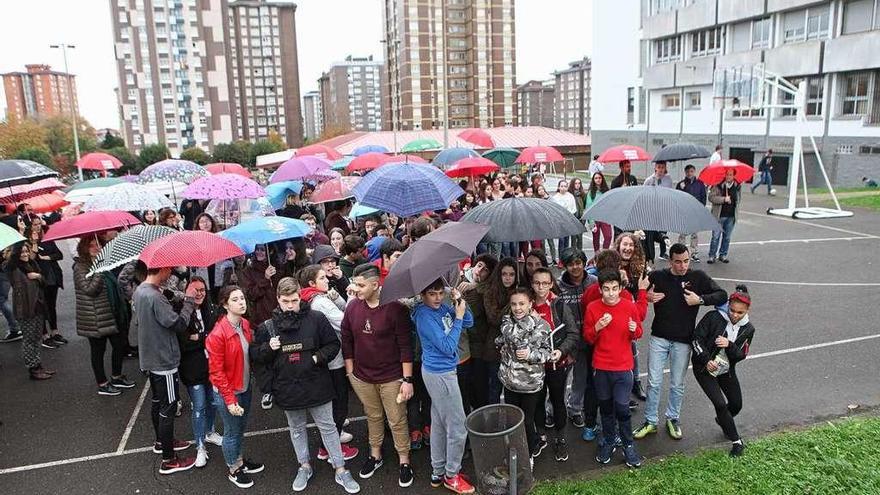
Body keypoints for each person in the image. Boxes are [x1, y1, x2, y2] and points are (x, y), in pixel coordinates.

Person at [251, 278, 360, 493]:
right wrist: (268, 348)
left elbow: (333, 344)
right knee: (297, 429)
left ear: (300, 296)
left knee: (328, 428)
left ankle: (341, 468)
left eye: (294, 300)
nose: (290, 305)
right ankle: (304, 466)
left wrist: (316, 358)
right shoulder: (268, 327)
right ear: (278, 299)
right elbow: (256, 356)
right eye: (285, 301)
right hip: (287, 388)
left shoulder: (316, 318)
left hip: (317, 384)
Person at [634, 243, 727, 441]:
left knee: (677, 384)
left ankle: (673, 418)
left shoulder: (698, 277)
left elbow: (722, 295)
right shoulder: (658, 276)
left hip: (684, 341)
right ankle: (650, 421)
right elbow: (636, 291)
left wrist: (700, 300)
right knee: (653, 382)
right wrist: (646, 296)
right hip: (659, 337)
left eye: (686, 261)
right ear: (670, 261)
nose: (683, 266)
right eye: (678, 262)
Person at [341, 264, 415, 487]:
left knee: (397, 419)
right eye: (355, 283)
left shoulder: (396, 309)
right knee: (372, 417)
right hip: (362, 377)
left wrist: (407, 380)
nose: (355, 289)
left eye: (361, 285)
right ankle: (375, 455)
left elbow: (405, 346)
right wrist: (350, 372)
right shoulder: (352, 307)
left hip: (392, 377)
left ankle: (404, 460)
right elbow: (346, 339)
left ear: (375, 284)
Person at [134, 263, 200, 474]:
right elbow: (178, 324)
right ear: (160, 270)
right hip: (164, 360)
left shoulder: (143, 290)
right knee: (168, 407)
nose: (171, 272)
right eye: (169, 269)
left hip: (151, 357)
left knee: (158, 402)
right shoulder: (155, 297)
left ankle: (162, 442)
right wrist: (189, 300)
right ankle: (169, 459)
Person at [412, 280, 476, 494]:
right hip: (440, 373)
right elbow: (449, 347)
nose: (438, 297)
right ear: (423, 295)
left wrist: (460, 302)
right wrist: (457, 317)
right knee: (458, 426)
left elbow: (469, 322)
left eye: (441, 293)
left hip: (442, 371)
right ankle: (451, 475)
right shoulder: (424, 316)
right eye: (432, 294)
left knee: (439, 422)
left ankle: (438, 471)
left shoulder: (442, 308)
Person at [580, 249, 650, 439]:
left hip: (595, 349)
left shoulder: (590, 292)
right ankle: (613, 432)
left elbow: (584, 315)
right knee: (613, 393)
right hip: (612, 349)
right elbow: (640, 315)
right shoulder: (624, 294)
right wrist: (642, 292)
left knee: (592, 387)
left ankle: (590, 425)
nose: (610, 293)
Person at [205, 285, 264, 488]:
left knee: (239, 428)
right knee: (231, 431)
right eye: (235, 299)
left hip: (244, 386)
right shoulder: (217, 335)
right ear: (225, 304)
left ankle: (238, 460)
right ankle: (234, 468)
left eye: (242, 298)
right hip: (228, 392)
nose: (241, 302)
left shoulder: (244, 324)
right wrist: (230, 400)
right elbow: (217, 372)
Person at [297, 265, 359, 459]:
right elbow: (345, 321)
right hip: (335, 360)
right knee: (340, 402)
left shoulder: (313, 298)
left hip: (328, 358)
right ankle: (329, 448)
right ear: (311, 283)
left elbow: (340, 308)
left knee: (334, 402)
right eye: (322, 278)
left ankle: (333, 437)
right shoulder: (320, 303)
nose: (327, 280)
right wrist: (352, 298)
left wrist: (341, 297)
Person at [584, 270, 644, 468]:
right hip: (601, 367)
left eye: (614, 289)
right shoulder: (593, 308)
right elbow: (588, 337)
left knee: (622, 408)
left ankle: (628, 444)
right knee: (606, 408)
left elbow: (638, 332)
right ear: (600, 289)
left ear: (620, 288)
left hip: (623, 367)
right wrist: (598, 327)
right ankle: (609, 441)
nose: (611, 293)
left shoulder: (628, 306)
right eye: (606, 289)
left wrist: (635, 330)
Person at [692, 285, 756, 457]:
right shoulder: (713, 317)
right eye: (732, 310)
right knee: (720, 404)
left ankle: (723, 420)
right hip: (704, 369)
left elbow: (741, 355)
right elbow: (696, 339)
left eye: (739, 313)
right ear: (728, 305)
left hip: (726, 370)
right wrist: (706, 360)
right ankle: (737, 442)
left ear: (747, 311)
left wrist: (729, 345)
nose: (734, 315)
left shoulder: (748, 329)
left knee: (736, 404)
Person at [73, 237, 133, 396]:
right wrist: (98, 270)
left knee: (119, 345)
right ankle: (102, 383)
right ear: (84, 248)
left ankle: (116, 376)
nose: (96, 249)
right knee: (98, 351)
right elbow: (89, 290)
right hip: (94, 317)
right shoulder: (80, 267)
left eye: (99, 245)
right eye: (91, 246)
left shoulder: (103, 263)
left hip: (111, 314)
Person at [530, 268, 579, 462]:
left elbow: (573, 333)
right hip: (535, 366)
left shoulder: (559, 304)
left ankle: (560, 439)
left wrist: (561, 351)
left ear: (551, 284)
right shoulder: (527, 303)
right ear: (532, 284)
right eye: (537, 283)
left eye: (545, 283)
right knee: (537, 402)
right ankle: (541, 437)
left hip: (557, 365)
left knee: (558, 401)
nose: (541, 287)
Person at [496, 288, 551, 459]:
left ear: (530, 304)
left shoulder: (542, 325)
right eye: (514, 304)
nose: (517, 308)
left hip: (530, 384)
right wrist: (500, 344)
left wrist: (530, 355)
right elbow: (504, 338)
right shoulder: (508, 322)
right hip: (510, 382)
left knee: (527, 421)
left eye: (522, 304)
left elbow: (548, 353)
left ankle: (529, 452)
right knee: (513, 419)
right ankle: (516, 449)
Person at [177, 277, 223, 467]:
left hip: (211, 366)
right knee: (199, 406)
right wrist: (202, 338)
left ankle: (210, 432)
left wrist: (199, 337)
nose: (199, 293)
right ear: (187, 292)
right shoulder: (181, 312)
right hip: (192, 368)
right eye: (195, 290)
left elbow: (215, 336)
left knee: (212, 402)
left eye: (202, 289)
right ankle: (200, 447)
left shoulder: (210, 309)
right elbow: (183, 342)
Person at [556, 248, 597, 429]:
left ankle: (574, 410)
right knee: (559, 380)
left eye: (578, 263)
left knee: (580, 378)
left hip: (589, 340)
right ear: (565, 266)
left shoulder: (594, 282)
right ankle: (552, 410)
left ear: (583, 263)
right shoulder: (558, 286)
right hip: (566, 342)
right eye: (571, 264)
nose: (575, 267)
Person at [6, 242, 54, 380]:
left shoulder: (32, 264)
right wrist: (19, 239)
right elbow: (14, 256)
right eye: (22, 252)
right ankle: (32, 369)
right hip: (25, 309)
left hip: (38, 307)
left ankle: (38, 365)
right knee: (29, 340)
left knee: (37, 338)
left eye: (26, 251)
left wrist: (38, 276)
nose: (25, 254)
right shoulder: (11, 267)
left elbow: (44, 283)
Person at [458, 253, 498, 411]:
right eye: (479, 265)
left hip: (479, 345)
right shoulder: (461, 281)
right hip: (463, 346)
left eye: (485, 269)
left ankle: (482, 417)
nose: (480, 270)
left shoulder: (487, 289)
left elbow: (472, 313)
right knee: (467, 386)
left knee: (480, 385)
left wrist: (475, 287)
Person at [482, 258, 519, 404]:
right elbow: (495, 319)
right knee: (494, 388)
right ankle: (493, 421)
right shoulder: (490, 292)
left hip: (515, 348)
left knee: (512, 389)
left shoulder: (520, 292)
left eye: (512, 274)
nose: (508, 278)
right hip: (495, 349)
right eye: (504, 274)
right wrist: (513, 300)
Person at [27, 223, 66, 347]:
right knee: (42, 307)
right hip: (40, 278)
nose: (38, 226)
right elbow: (31, 258)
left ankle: (55, 331)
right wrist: (34, 242)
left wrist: (47, 257)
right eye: (34, 224)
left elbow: (59, 255)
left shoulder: (47, 240)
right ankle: (44, 335)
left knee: (51, 305)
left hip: (53, 277)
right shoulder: (27, 243)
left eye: (39, 223)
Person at [707, 169, 741, 264]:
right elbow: (711, 197)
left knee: (727, 237)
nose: (728, 176)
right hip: (719, 216)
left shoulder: (737, 186)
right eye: (727, 174)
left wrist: (733, 204)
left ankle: (723, 254)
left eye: (730, 175)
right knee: (715, 237)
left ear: (734, 176)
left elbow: (738, 200)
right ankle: (712, 255)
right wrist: (723, 199)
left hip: (730, 216)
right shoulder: (718, 186)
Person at [675, 165, 707, 262]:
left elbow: (703, 197)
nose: (690, 173)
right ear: (685, 172)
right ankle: (681, 251)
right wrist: (681, 188)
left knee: (694, 234)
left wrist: (700, 208)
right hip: (684, 212)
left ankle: (694, 253)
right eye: (688, 171)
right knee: (683, 233)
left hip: (695, 212)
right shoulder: (681, 184)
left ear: (694, 172)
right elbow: (677, 198)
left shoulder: (700, 184)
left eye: (692, 171)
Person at [643, 162, 674, 262]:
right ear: (655, 168)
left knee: (662, 233)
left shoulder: (668, 180)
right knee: (650, 235)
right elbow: (643, 195)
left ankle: (663, 252)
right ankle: (650, 257)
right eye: (659, 167)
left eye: (663, 167)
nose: (661, 169)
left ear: (665, 168)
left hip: (663, 211)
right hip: (651, 212)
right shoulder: (649, 180)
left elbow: (670, 194)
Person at [550, 180, 577, 259]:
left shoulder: (570, 196)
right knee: (561, 240)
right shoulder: (555, 197)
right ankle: (561, 258)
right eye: (561, 186)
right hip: (560, 221)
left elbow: (573, 209)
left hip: (568, 221)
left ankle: (566, 257)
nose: (563, 188)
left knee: (566, 240)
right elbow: (554, 210)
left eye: (565, 186)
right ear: (558, 187)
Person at [585, 172, 612, 251]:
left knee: (608, 236)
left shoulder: (607, 191)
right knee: (596, 238)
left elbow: (610, 204)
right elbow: (588, 206)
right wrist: (591, 221)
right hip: (594, 218)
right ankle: (597, 255)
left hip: (605, 218)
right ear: (593, 180)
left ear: (602, 179)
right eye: (596, 178)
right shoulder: (591, 193)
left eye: (599, 178)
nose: (598, 180)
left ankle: (605, 253)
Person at [569, 178, 587, 252]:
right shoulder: (570, 194)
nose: (577, 185)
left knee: (580, 237)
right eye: (576, 183)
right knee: (573, 237)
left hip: (581, 218)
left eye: (579, 183)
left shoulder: (582, 194)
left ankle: (580, 253)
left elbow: (585, 206)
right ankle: (573, 253)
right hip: (573, 218)